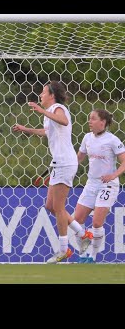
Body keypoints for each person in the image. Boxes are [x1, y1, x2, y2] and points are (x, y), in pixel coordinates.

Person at [13, 81, 92, 263]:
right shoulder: (49, 115)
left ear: (52, 95)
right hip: (59, 163)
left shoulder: (58, 108)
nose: (40, 95)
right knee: (50, 206)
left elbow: (63, 121)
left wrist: (41, 111)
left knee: (59, 207)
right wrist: (26, 129)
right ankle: (83, 234)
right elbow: (47, 131)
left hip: (65, 163)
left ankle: (64, 250)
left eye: (43, 92)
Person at [73, 109, 125, 263]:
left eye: (93, 119)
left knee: (96, 222)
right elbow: (79, 158)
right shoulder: (87, 138)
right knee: (77, 219)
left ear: (102, 122)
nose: (90, 121)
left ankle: (93, 256)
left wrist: (113, 175)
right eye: (89, 118)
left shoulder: (113, 140)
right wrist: (67, 170)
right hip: (91, 183)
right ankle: (83, 254)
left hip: (108, 185)